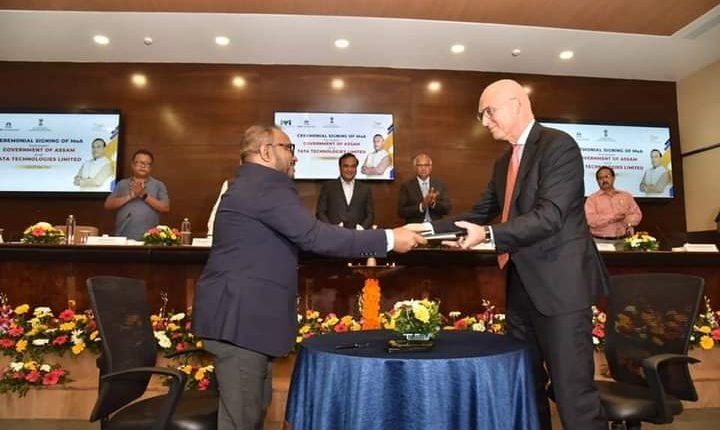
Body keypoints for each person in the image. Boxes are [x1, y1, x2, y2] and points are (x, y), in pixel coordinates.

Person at [191, 125, 425, 430]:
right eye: (289, 148)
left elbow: (299, 241)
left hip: (245, 321)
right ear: (266, 151)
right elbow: (313, 236)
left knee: (251, 414)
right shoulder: (264, 186)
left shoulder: (252, 184)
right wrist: (389, 239)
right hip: (240, 319)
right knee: (241, 421)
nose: (294, 157)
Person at [410, 79, 609, 430]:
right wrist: (424, 231)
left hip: (560, 291)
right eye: (481, 115)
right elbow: (480, 212)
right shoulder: (504, 162)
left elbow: (550, 216)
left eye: (489, 112)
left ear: (517, 104)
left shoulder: (559, 146)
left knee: (572, 396)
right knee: (527, 390)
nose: (485, 122)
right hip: (520, 289)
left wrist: (488, 235)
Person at [103, 149, 170, 240]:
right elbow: (108, 205)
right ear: (132, 165)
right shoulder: (122, 184)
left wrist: (144, 195)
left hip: (150, 238)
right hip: (123, 237)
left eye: (147, 164)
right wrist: (130, 196)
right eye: (139, 163)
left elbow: (165, 207)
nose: (143, 166)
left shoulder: (159, 185)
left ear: (151, 167)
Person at [316, 153, 374, 229]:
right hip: (334, 234)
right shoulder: (328, 187)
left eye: (353, 166)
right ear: (340, 167)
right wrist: (331, 229)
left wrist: (362, 228)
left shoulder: (365, 188)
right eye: (346, 166)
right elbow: (321, 212)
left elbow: (370, 214)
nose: (349, 170)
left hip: (358, 234)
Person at [585, 166, 642, 240]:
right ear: (597, 181)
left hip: (624, 239)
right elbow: (590, 220)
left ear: (613, 178)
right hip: (601, 240)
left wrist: (626, 220)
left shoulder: (626, 196)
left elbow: (637, 215)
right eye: (600, 178)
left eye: (607, 176)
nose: (604, 180)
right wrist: (612, 217)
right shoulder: (592, 199)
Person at [398, 153, 452, 223]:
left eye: (426, 165)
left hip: (435, 224)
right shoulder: (406, 186)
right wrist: (422, 206)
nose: (423, 168)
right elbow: (401, 212)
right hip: (416, 225)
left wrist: (433, 203)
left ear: (431, 167)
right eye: (420, 165)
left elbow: (447, 209)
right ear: (415, 168)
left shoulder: (439, 184)